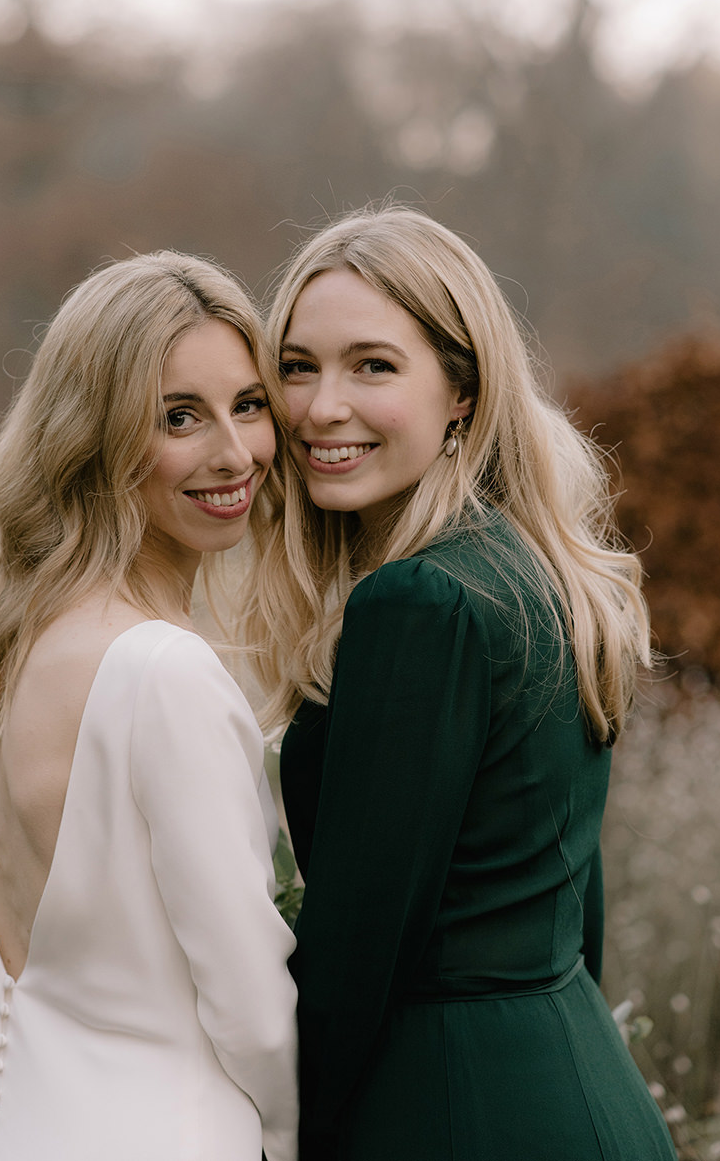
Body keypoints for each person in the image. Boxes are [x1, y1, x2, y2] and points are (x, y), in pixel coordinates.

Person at [245, 207, 676, 1160]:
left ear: (464, 394)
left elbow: (358, 950)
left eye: (373, 366)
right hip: (572, 1081)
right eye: (298, 367)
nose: (320, 407)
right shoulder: (536, 574)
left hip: (451, 1107)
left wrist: (286, 1135)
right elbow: (577, 908)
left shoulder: (420, 602)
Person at [0, 252, 298, 1161]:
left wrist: (39, 1075)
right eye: (178, 417)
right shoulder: (165, 673)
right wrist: (293, 1134)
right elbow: (254, 1012)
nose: (235, 454)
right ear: (94, 436)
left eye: (249, 404)